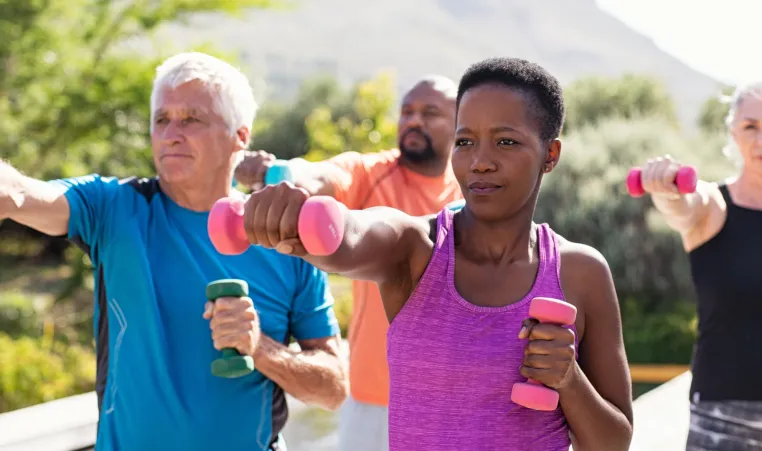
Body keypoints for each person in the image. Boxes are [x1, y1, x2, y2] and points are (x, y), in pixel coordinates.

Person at [235, 57, 634, 450]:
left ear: (550, 154)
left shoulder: (581, 272)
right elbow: (352, 235)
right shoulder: (416, 249)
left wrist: (569, 380)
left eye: (506, 141)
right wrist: (299, 219)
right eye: (465, 142)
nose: (480, 162)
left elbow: (615, 441)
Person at [0, 52, 348, 451]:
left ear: (240, 135)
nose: (171, 134)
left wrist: (261, 348)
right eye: (162, 120)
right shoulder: (113, 208)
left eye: (191, 119)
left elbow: (333, 389)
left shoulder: (285, 237)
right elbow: (21, 195)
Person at [235, 75, 463, 450]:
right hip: (374, 400)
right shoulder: (370, 173)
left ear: (459, 124)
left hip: (454, 403)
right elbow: (321, 175)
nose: (413, 121)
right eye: (406, 112)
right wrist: (278, 175)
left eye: (430, 112)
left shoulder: (471, 191)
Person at [637, 81, 762, 450]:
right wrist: (667, 191)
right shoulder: (713, 207)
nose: (761, 140)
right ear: (733, 134)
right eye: (750, 127)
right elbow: (684, 206)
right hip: (723, 417)